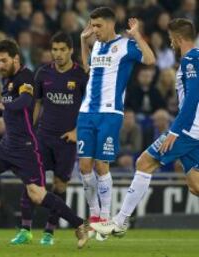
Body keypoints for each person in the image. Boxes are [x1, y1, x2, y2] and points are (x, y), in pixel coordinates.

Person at [0, 39, 89, 249]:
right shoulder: (8, 79)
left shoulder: (26, 77)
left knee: (37, 195)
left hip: (26, 149)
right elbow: (11, 102)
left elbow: (25, 102)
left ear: (16, 58)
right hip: (7, 145)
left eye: (3, 61)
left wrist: (2, 104)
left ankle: (79, 224)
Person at [91, 18, 199, 237]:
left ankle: (120, 221)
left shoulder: (190, 61)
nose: (170, 43)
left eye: (171, 39)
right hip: (193, 130)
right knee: (195, 185)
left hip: (188, 130)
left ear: (178, 38)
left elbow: (192, 99)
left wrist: (176, 131)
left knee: (144, 162)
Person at [78, 7, 155, 240]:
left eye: (98, 26)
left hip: (110, 113)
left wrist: (138, 36)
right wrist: (83, 43)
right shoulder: (97, 45)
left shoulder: (125, 45)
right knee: (83, 167)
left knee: (101, 166)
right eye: (92, 25)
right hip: (86, 111)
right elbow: (88, 70)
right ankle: (94, 216)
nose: (94, 30)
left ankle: (104, 217)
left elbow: (150, 60)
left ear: (111, 24)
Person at [10, 32, 87, 246]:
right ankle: (25, 229)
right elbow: (37, 104)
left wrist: (77, 131)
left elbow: (89, 108)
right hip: (43, 137)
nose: (58, 54)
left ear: (71, 50)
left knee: (60, 186)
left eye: (63, 49)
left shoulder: (80, 75)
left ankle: (49, 233)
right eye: (55, 49)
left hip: (67, 141)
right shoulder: (43, 73)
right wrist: (29, 129)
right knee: (32, 182)